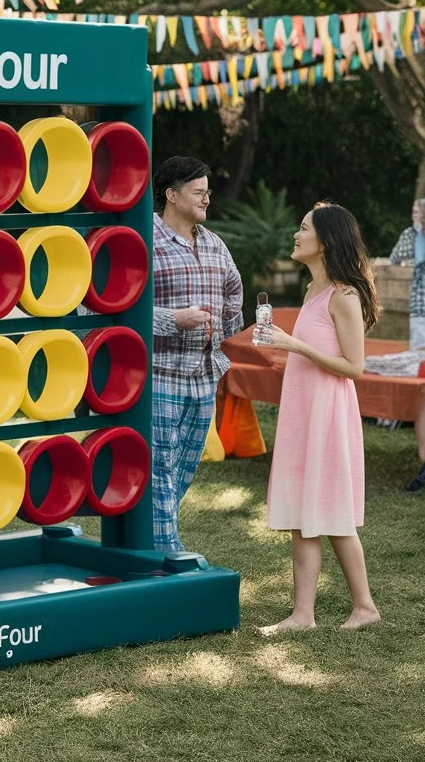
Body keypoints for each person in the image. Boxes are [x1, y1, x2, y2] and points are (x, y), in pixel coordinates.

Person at [261, 203, 381, 633]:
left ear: (325, 241)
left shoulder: (344, 296)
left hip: (327, 415)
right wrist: (288, 357)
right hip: (302, 411)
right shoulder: (313, 292)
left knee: (331, 511)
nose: (296, 234)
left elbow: (354, 366)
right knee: (302, 513)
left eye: (303, 228)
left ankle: (365, 606)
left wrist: (296, 347)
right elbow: (316, 353)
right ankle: (302, 615)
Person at [151, 156, 243, 552]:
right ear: (172, 195)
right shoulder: (142, 240)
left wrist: (222, 334)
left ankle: (153, 538)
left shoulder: (214, 243)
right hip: (159, 373)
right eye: (198, 191)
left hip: (205, 376)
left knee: (183, 469)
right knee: (158, 470)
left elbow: (234, 294)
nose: (207, 198)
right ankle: (166, 552)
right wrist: (173, 320)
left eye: (208, 190)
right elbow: (112, 307)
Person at [387, 198, 425, 349]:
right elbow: (395, 257)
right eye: (414, 212)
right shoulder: (411, 234)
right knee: (419, 334)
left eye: (419, 212)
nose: (416, 216)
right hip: (420, 291)